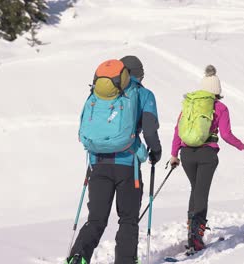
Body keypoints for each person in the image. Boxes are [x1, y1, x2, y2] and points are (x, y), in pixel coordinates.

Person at [67, 56, 162, 264]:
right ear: (139, 74)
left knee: (96, 220)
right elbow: (149, 129)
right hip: (128, 167)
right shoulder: (144, 94)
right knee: (128, 220)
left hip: (98, 164)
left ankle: (77, 257)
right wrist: (155, 151)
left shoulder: (99, 94)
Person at [170, 65, 244, 253]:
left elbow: (178, 130)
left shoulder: (190, 105)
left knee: (195, 190)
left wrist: (174, 154)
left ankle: (192, 233)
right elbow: (226, 134)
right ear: (217, 91)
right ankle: (196, 238)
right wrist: (243, 146)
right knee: (201, 193)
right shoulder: (220, 108)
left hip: (186, 153)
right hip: (207, 154)